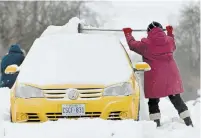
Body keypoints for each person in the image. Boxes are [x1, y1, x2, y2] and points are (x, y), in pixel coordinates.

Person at [122, 21, 193, 127]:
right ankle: (188, 122)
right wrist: (169, 33)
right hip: (171, 75)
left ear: (149, 32)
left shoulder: (146, 45)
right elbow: (173, 44)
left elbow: (132, 45)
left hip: (155, 76)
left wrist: (128, 34)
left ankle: (155, 124)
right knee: (176, 99)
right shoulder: (169, 41)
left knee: (153, 100)